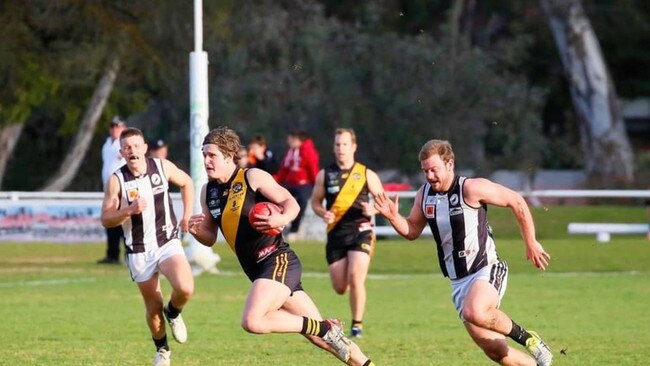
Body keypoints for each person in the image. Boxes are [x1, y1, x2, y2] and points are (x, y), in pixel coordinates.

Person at [187, 126, 376, 366]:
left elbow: (291, 203)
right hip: (258, 271)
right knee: (325, 340)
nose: (206, 160)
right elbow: (210, 237)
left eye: (211, 155)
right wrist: (196, 232)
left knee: (253, 321)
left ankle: (323, 326)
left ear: (228, 155)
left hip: (277, 260)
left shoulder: (251, 177)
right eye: (204, 154)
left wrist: (281, 218)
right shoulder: (209, 191)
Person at [373, 139, 553, 366]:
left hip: (485, 268)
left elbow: (516, 201)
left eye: (434, 169)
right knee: (497, 352)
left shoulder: (470, 188)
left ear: (449, 164)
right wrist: (392, 217)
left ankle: (530, 339)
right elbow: (412, 231)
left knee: (474, 311)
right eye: (425, 171)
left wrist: (531, 242)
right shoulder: (424, 195)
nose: (429, 176)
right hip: (458, 282)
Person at [100, 127, 195, 366]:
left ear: (144, 148)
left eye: (136, 146)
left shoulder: (161, 167)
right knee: (153, 308)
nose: (132, 150)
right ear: (122, 152)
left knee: (185, 288)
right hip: (139, 248)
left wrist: (186, 216)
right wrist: (128, 211)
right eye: (127, 147)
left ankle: (173, 311)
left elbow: (187, 183)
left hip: (167, 240)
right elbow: (106, 218)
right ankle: (163, 350)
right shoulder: (117, 180)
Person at [310, 128, 384, 338]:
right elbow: (315, 202)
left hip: (361, 231)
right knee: (341, 287)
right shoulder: (325, 174)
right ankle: (353, 290)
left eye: (344, 144)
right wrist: (323, 213)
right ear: (333, 147)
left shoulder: (366, 174)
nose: (341, 148)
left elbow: (383, 201)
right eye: (337, 144)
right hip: (336, 235)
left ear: (353, 147)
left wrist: (374, 209)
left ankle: (357, 326)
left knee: (356, 277)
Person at [274, 130, 320, 241]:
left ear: (296, 139)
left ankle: (294, 229)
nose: (288, 141)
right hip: (290, 183)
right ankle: (279, 226)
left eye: (290, 139)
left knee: (301, 202)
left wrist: (318, 185)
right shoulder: (290, 152)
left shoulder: (309, 152)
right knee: (278, 199)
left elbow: (313, 169)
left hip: (304, 184)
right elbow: (284, 170)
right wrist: (275, 181)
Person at [98, 116, 127, 264]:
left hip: (122, 190)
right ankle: (112, 254)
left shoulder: (124, 144)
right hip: (109, 190)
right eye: (113, 126)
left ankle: (129, 253)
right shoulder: (107, 144)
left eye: (118, 126)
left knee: (123, 222)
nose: (115, 129)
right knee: (110, 221)